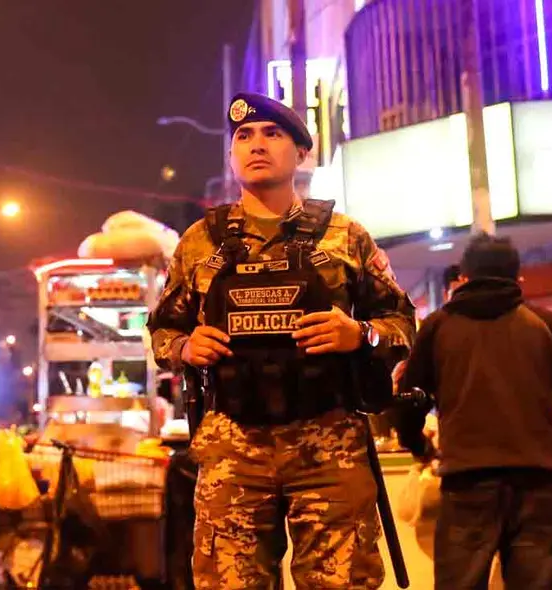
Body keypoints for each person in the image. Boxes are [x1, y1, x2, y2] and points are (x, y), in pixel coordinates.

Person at [146, 92, 416, 589]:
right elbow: (162, 328)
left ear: (301, 153)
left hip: (329, 445)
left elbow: (400, 322)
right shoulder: (198, 242)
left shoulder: (345, 236)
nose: (257, 144)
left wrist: (359, 334)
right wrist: (184, 348)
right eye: (244, 137)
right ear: (231, 157)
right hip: (232, 448)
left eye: (273, 134)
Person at [392, 234, 552, 590]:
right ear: (518, 279)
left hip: (466, 484)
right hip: (536, 483)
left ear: (463, 277)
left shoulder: (439, 326)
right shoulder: (546, 326)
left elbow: (409, 400)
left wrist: (417, 445)